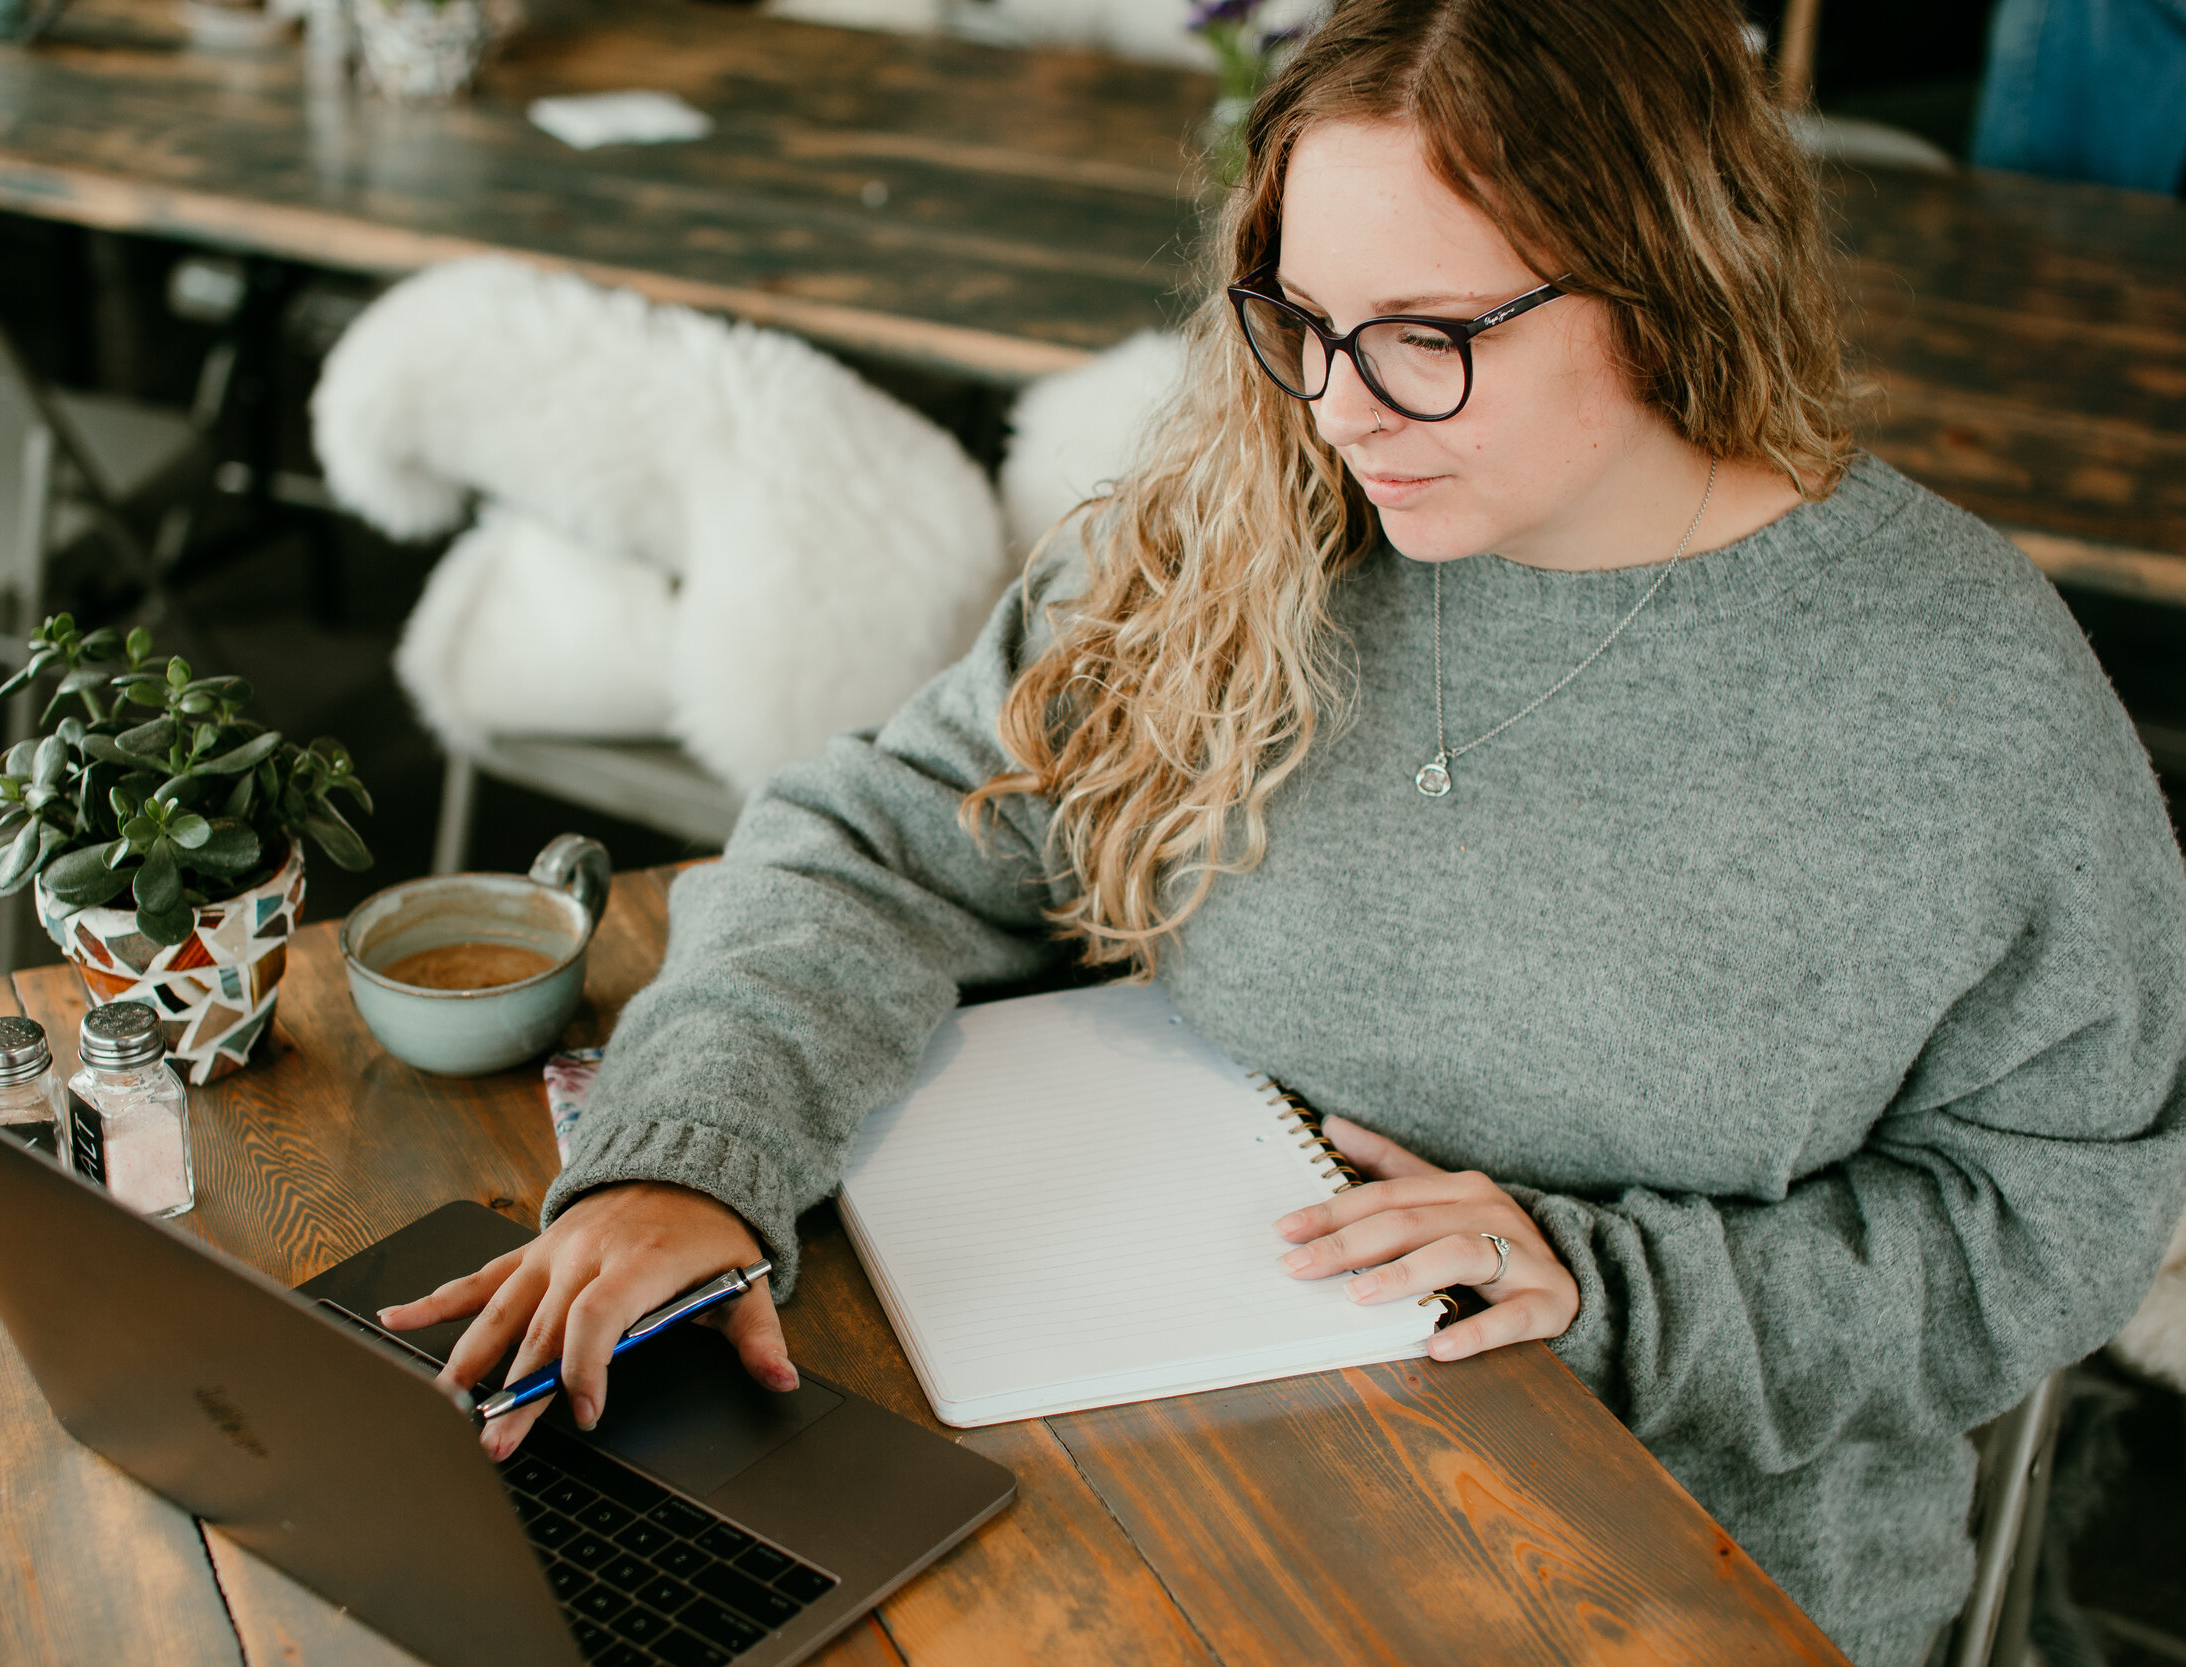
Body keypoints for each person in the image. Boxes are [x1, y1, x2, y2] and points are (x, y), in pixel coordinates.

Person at [378, 0, 2186, 1658]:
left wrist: (1617, 1287)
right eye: (1304, 324)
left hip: (1645, 1564)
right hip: (1156, 1471)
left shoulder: (1961, 709)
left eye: (1422, 340)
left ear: (1674, 275)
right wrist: (695, 1153)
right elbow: (887, 828)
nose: (1336, 408)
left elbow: (2055, 1216)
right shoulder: (1246, 518)